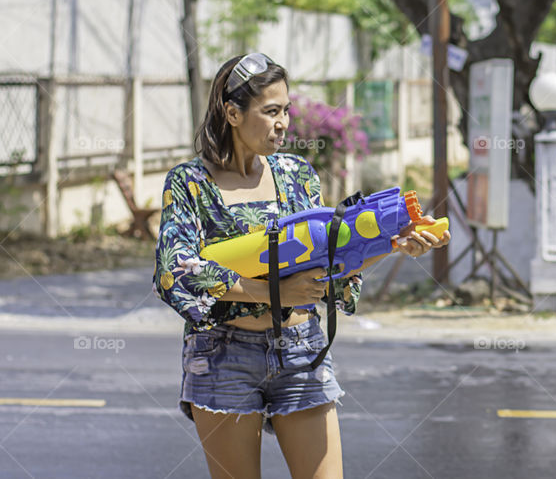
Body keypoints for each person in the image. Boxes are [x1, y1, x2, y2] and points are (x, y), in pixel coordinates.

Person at [153, 53, 450, 479]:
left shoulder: (296, 173)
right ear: (232, 113)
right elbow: (175, 270)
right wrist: (274, 293)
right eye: (271, 111)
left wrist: (392, 245)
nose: (284, 123)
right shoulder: (190, 183)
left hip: (301, 350)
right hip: (224, 354)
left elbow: (331, 262)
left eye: (286, 110)